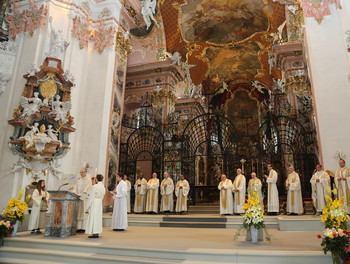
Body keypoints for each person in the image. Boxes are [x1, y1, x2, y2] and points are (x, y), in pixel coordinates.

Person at [85, 174, 106, 238]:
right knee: (98, 217)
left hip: (94, 202)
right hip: (99, 202)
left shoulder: (95, 186)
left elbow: (91, 196)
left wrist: (87, 206)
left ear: (96, 179)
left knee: (93, 217)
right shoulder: (103, 186)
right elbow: (103, 195)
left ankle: (94, 232)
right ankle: (97, 232)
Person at [72, 168, 92, 233]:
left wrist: (81, 196)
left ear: (85, 172)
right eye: (80, 172)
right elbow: (75, 188)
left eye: (82, 172)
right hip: (78, 198)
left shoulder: (88, 180)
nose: (81, 173)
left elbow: (86, 190)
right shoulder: (78, 180)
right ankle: (78, 228)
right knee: (78, 213)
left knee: (83, 213)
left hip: (84, 199)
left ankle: (83, 228)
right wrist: (75, 194)